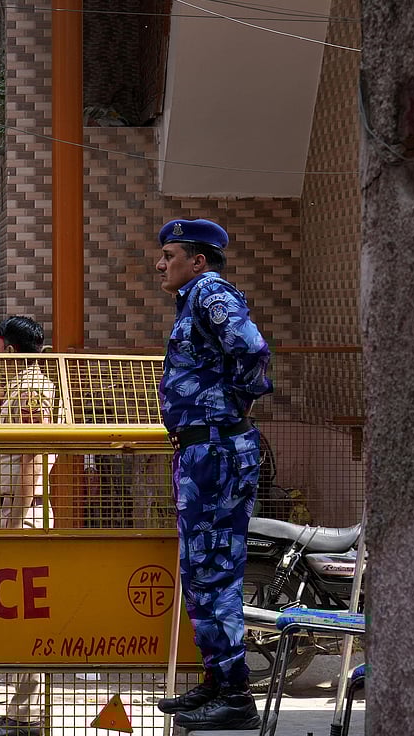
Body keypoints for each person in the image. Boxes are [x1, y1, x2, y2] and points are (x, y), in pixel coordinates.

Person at [153, 218, 272, 731]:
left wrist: (233, 407)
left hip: (216, 450)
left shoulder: (210, 292)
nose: (160, 264)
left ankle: (236, 696)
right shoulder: (193, 300)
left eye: (169, 255)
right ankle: (219, 680)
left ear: (197, 261)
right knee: (201, 571)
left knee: (215, 570)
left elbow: (253, 351)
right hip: (202, 451)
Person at [0, 316, 62, 736]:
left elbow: (30, 456)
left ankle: (27, 714)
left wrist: (15, 518)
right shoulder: (21, 385)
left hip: (20, 512)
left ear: (10, 349)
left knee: (26, 614)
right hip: (13, 509)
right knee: (18, 613)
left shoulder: (30, 388)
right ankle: (22, 709)